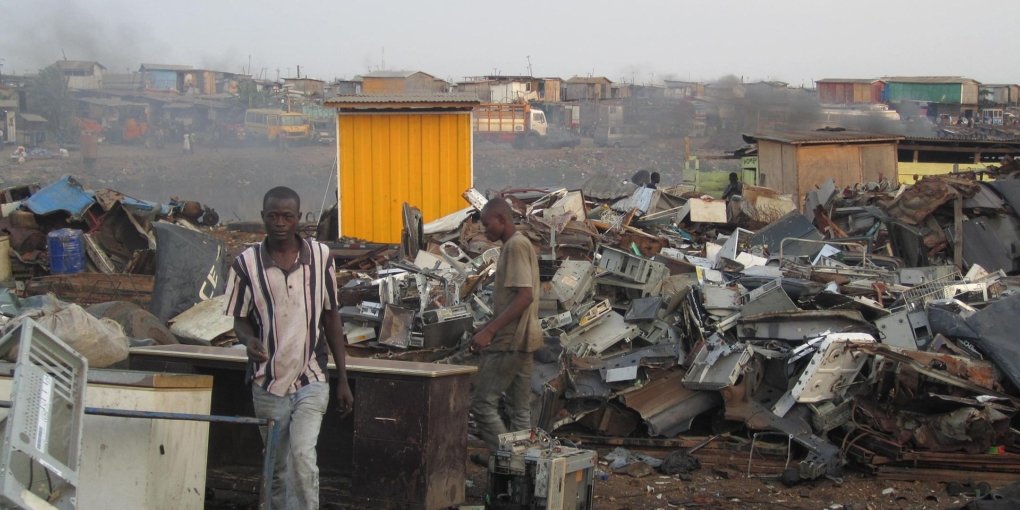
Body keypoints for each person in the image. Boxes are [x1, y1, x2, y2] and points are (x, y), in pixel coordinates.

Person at [225, 186, 354, 509]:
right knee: (277, 467)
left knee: (303, 457)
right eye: (273, 216)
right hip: (267, 381)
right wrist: (248, 339)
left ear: (299, 219)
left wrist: (342, 379)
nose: (280, 222)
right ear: (263, 218)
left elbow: (331, 317)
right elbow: (239, 320)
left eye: (287, 216)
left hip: (312, 378)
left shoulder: (321, 257)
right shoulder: (245, 264)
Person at [469, 197, 541, 465]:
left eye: (488, 225)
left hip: (511, 341)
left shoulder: (515, 247)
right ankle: (526, 469)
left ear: (502, 219)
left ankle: (509, 461)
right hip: (526, 339)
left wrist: (490, 332)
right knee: (520, 411)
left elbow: (524, 297)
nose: (485, 230)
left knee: (482, 404)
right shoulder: (519, 245)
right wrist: (485, 326)